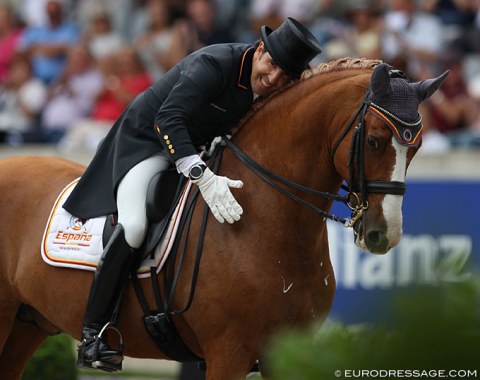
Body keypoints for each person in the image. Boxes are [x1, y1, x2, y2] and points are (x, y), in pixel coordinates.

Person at [62, 17, 322, 372]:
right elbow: (168, 120)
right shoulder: (214, 64)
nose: (274, 79)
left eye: (285, 76)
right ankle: (94, 334)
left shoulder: (272, 87)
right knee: (135, 225)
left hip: (198, 149)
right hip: (147, 144)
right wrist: (201, 175)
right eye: (272, 65)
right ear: (260, 49)